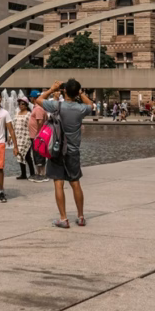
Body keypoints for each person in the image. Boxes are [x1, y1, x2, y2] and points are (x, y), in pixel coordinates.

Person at [37, 80, 92, 228]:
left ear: (64, 91)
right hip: (73, 151)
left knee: (58, 183)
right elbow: (91, 105)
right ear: (77, 92)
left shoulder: (57, 106)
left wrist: (52, 88)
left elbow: (38, 100)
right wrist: (80, 93)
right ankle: (80, 217)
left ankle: (63, 218)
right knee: (75, 183)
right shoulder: (81, 109)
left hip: (56, 151)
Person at [27, 89, 49, 182]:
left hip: (37, 137)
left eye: (31, 97)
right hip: (35, 136)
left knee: (39, 155)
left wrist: (38, 135)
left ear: (34, 98)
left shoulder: (39, 108)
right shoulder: (37, 107)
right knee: (36, 154)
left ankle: (42, 175)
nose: (30, 99)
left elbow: (40, 122)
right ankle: (39, 174)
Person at [13, 97, 35, 180]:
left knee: (27, 155)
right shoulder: (17, 113)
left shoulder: (29, 114)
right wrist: (10, 136)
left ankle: (32, 173)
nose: (20, 105)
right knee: (19, 154)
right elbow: (14, 125)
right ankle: (23, 174)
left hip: (26, 136)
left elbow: (32, 125)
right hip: (18, 137)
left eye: (22, 104)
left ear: (26, 105)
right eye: (19, 104)